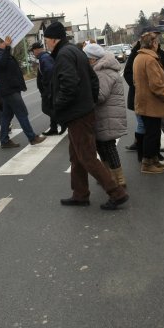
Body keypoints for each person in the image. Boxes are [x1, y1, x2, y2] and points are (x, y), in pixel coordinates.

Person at [44, 22, 128, 210]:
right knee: (76, 157)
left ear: (54, 39)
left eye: (47, 40)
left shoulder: (65, 55)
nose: (46, 44)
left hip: (77, 115)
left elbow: (69, 85)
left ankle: (116, 192)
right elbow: (92, 79)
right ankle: (80, 194)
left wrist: (58, 106)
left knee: (87, 157)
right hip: (83, 111)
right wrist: (89, 100)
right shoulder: (75, 52)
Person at [84, 43, 128, 188]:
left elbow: (100, 95)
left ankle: (119, 178)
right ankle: (108, 175)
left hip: (107, 115)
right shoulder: (101, 69)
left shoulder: (102, 72)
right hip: (105, 115)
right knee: (102, 146)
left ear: (92, 59)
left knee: (108, 147)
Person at [0, 35, 46, 148]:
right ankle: (32, 138)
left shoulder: (4, 54)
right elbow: (2, 63)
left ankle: (4, 140)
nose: (9, 43)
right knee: (22, 113)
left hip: (10, 89)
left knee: (7, 116)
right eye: (5, 42)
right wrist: (7, 47)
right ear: (0, 44)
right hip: (9, 91)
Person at [133, 29, 164, 174]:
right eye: (157, 42)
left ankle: (154, 160)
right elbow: (156, 84)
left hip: (143, 100)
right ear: (153, 43)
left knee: (152, 131)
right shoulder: (150, 59)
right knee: (152, 133)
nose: (158, 44)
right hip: (151, 101)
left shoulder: (140, 57)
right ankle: (147, 163)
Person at [31, 41, 60, 135]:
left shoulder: (44, 58)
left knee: (46, 108)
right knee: (51, 108)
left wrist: (46, 86)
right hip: (49, 89)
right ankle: (54, 128)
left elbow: (49, 72)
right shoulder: (44, 57)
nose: (33, 53)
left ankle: (63, 121)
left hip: (49, 89)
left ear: (36, 50)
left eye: (33, 51)